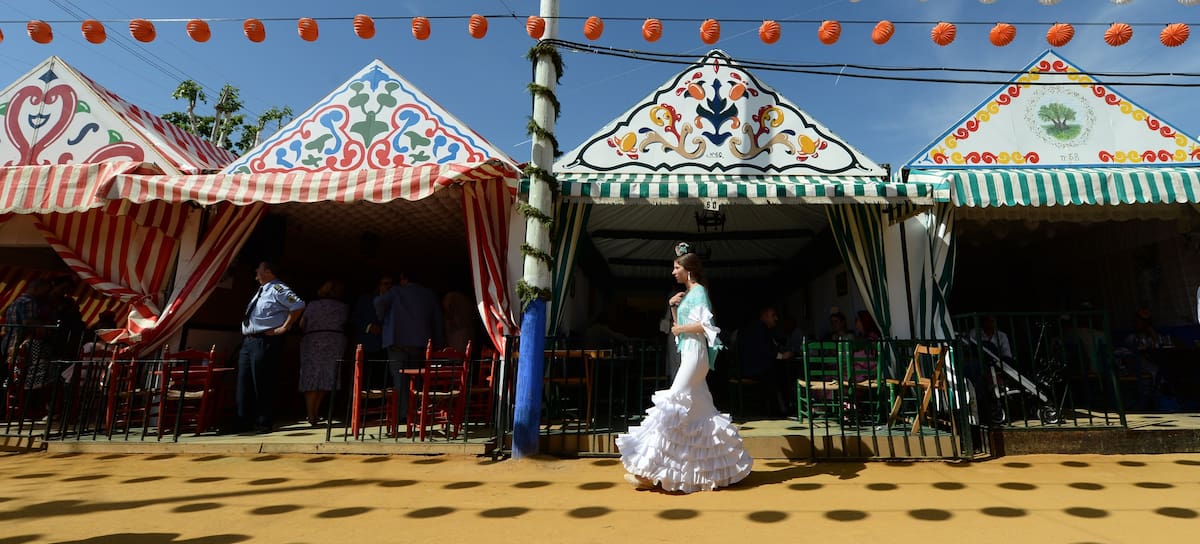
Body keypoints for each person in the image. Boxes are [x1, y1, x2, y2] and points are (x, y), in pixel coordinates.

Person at [616, 242, 752, 493]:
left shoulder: (698, 292)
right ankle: (727, 467)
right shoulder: (689, 294)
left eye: (676, 268)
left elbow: (706, 327)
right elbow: (679, 329)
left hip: (696, 355)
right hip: (690, 353)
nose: (673, 272)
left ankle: (647, 471)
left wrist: (680, 327)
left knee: (672, 405)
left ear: (688, 270)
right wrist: (673, 307)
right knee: (701, 412)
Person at [238, 260, 305, 434]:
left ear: (268, 272)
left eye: (259, 268)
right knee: (244, 381)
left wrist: (285, 327)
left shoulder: (278, 288)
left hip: (264, 340)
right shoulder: (261, 290)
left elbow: (298, 305)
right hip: (249, 340)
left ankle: (263, 422)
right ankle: (244, 421)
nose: (256, 270)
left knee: (262, 381)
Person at [375, 271, 443, 423]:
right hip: (419, 342)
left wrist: (382, 316)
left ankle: (403, 414)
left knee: (400, 379)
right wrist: (437, 344)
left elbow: (379, 303)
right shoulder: (429, 294)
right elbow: (437, 321)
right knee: (416, 379)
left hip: (397, 341)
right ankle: (415, 412)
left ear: (404, 279)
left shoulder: (396, 291)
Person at [297, 279, 348, 427]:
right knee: (327, 377)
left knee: (311, 376)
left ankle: (311, 413)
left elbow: (302, 324)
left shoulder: (312, 305)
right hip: (334, 342)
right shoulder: (344, 307)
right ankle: (315, 411)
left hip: (313, 340)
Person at [735, 305, 790, 416]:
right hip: (755, 369)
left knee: (779, 372)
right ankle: (779, 409)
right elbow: (766, 351)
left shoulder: (756, 328)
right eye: (773, 315)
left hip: (748, 367)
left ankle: (779, 408)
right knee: (783, 374)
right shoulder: (760, 329)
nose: (776, 318)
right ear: (765, 316)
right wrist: (783, 356)